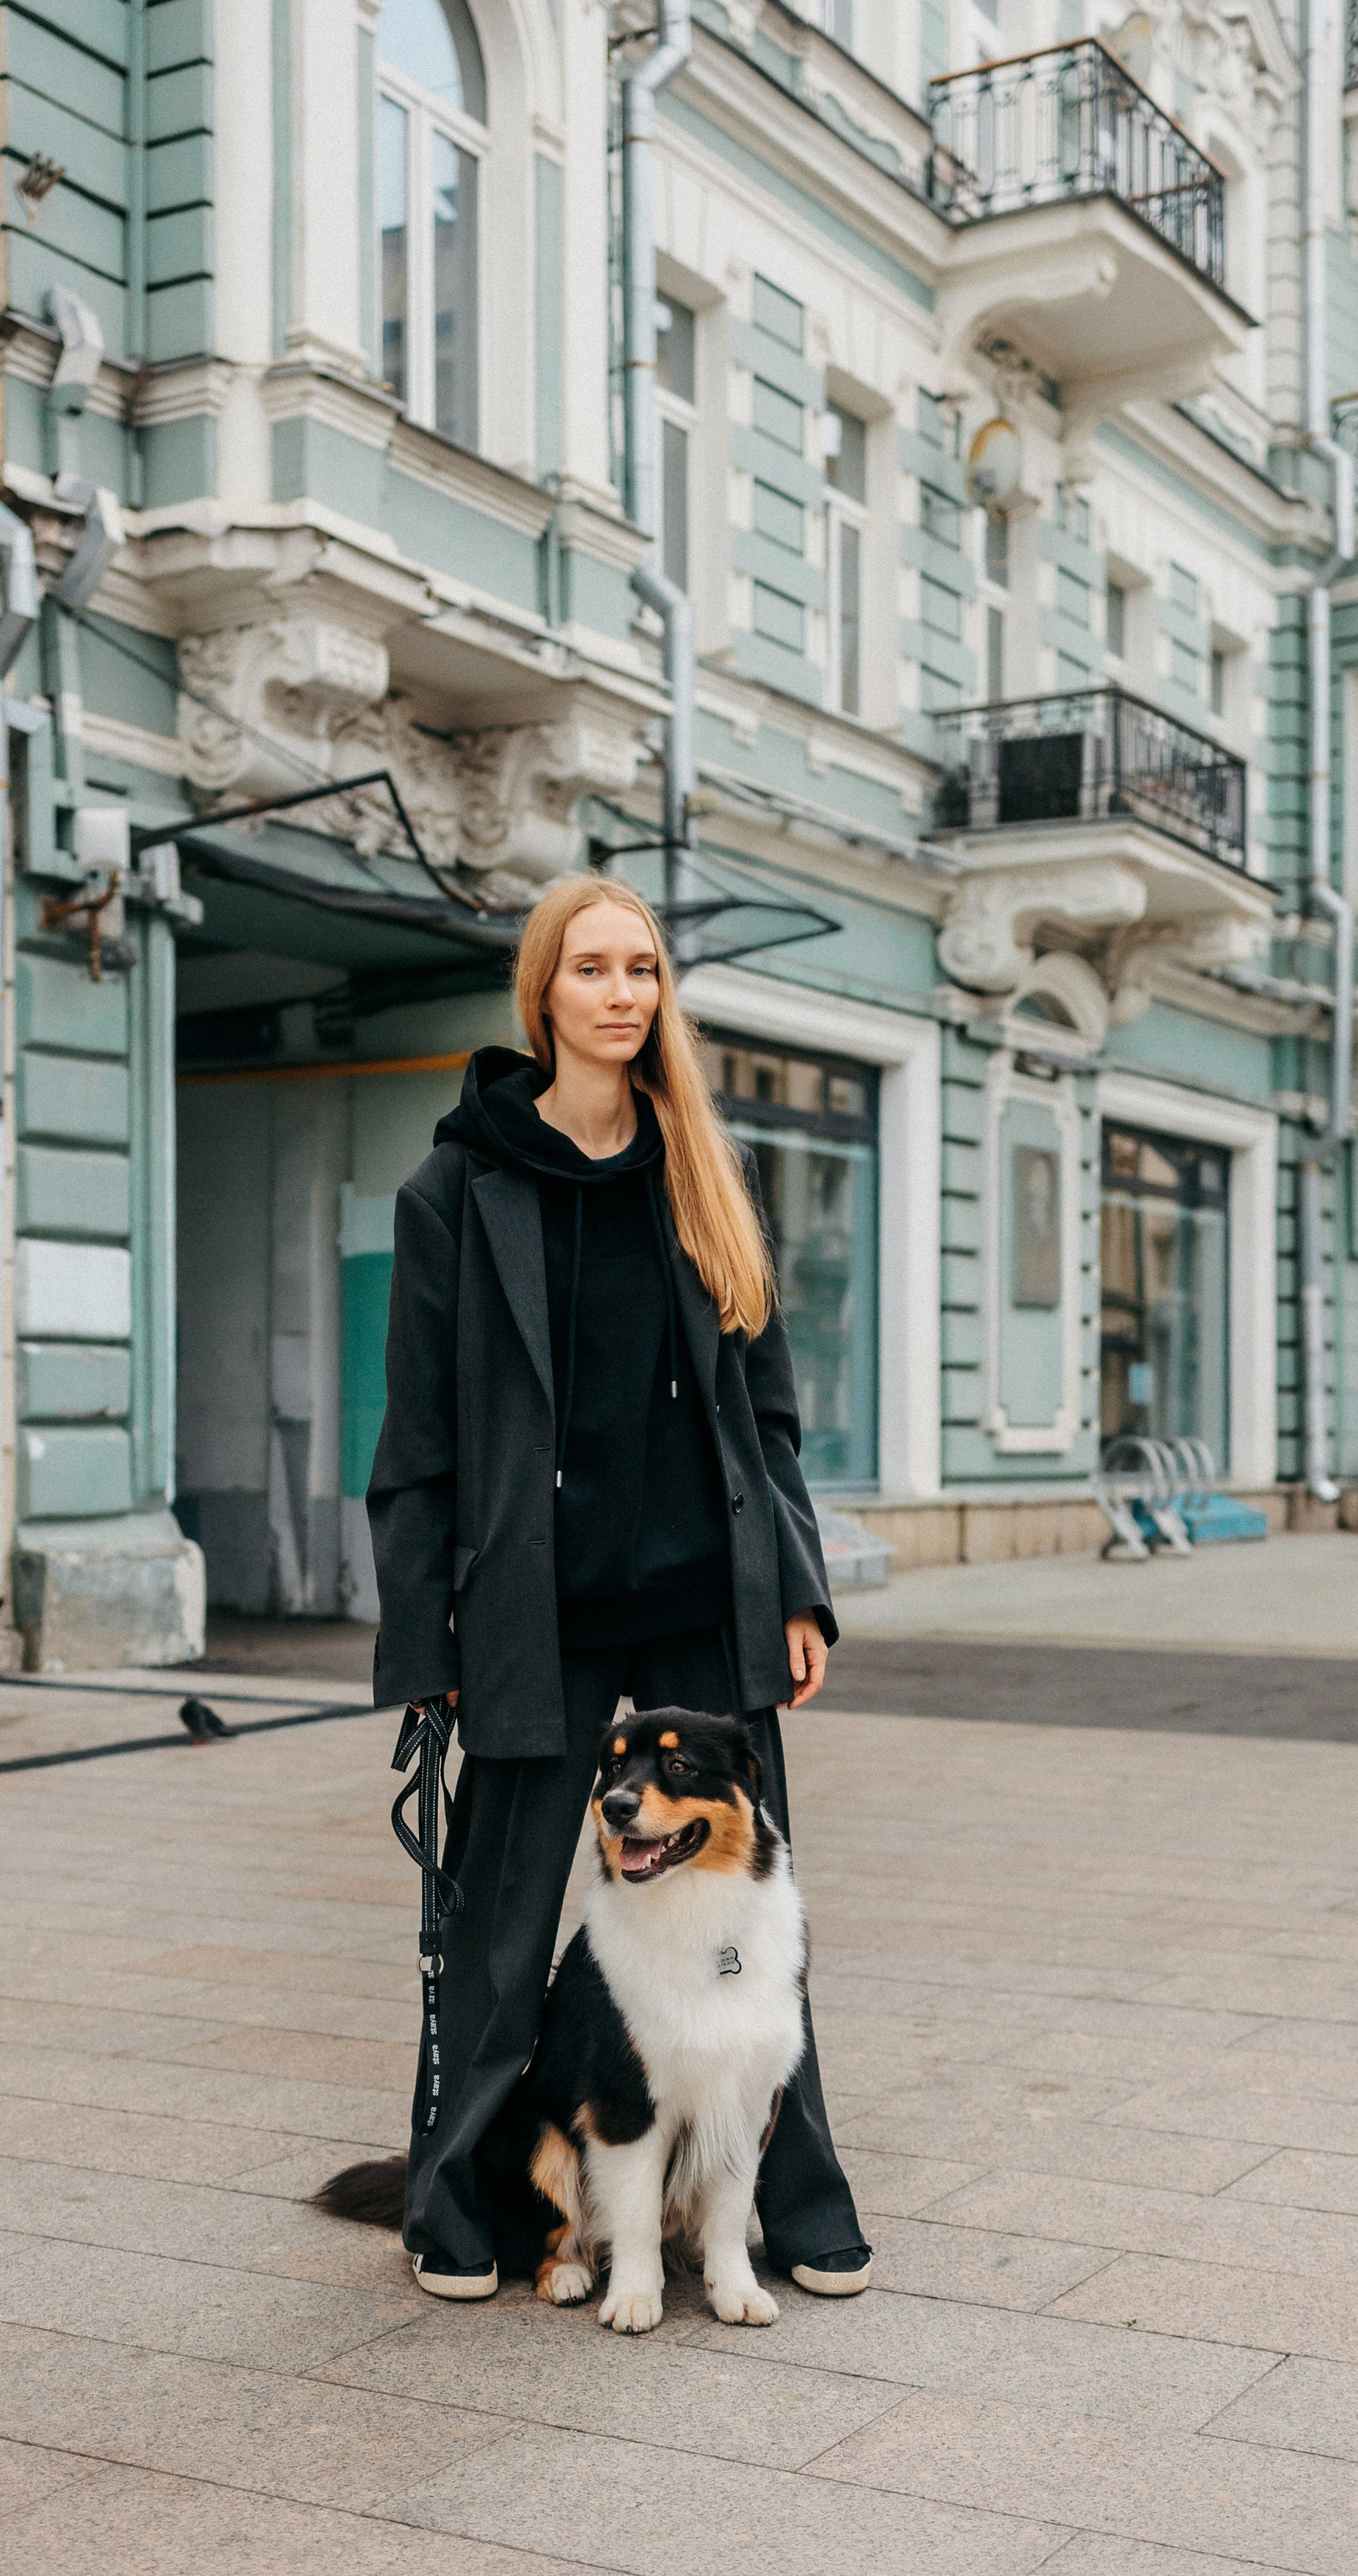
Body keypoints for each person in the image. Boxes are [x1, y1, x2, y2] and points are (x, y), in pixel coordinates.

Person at [367, 873, 871, 2302]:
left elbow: (765, 1415)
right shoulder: (457, 1187)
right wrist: (426, 1642)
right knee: (504, 1917)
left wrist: (796, 1589)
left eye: (639, 969)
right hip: (533, 1607)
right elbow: (415, 1449)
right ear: (545, 994)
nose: (619, 993)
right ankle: (456, 2199)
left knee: (750, 1912)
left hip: (702, 1599)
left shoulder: (704, 1168)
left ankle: (790, 2194)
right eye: (590, 968)